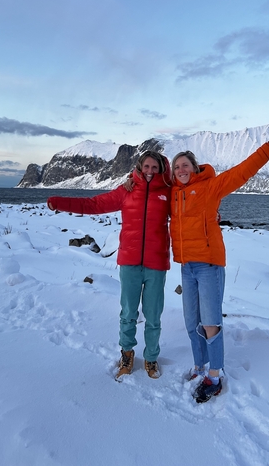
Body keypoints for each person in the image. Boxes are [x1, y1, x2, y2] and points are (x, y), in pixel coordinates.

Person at [170, 134, 269, 403]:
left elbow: (242, 172)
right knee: (190, 322)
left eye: (185, 165)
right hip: (186, 267)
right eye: (176, 167)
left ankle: (215, 375)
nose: (181, 170)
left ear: (195, 168)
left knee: (210, 322)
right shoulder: (172, 194)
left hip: (208, 265)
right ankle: (199, 367)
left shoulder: (210, 187)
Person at [47, 151, 171, 381]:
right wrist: (60, 203)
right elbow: (94, 204)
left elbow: (189, 211)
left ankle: (151, 358)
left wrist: (212, 215)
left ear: (162, 168)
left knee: (153, 316)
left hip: (156, 263)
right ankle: (127, 355)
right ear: (139, 167)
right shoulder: (127, 190)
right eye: (147, 166)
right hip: (130, 263)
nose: (150, 171)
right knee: (127, 314)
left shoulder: (168, 191)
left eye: (155, 167)